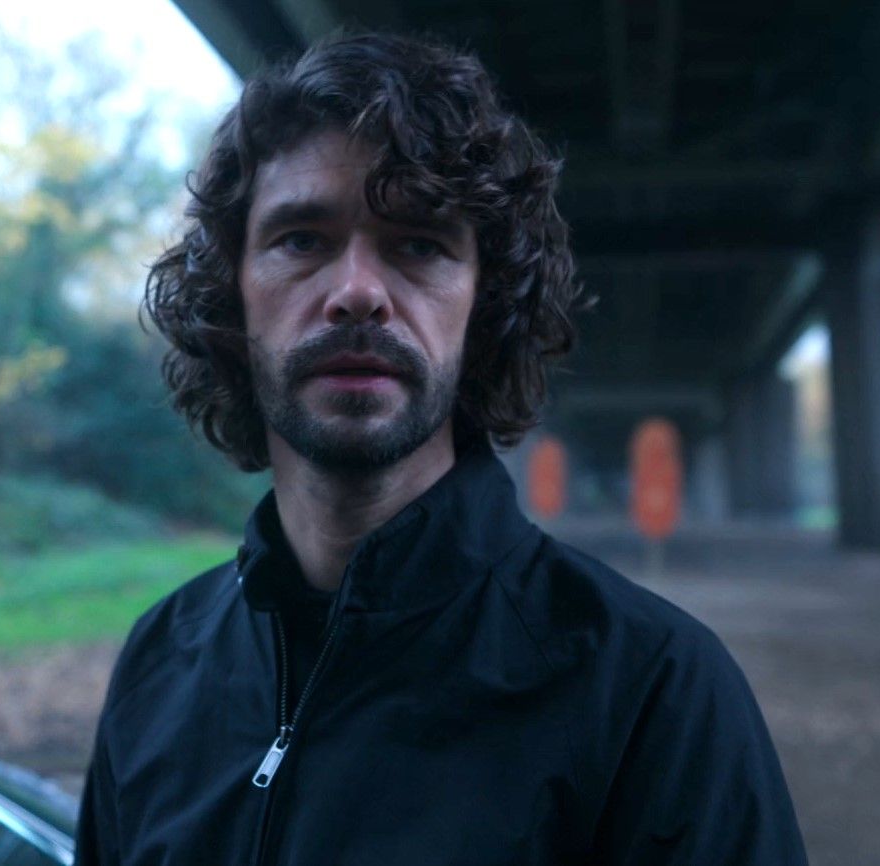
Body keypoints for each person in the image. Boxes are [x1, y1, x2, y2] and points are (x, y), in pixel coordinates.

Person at [75, 32, 808, 866]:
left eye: (419, 243)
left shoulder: (651, 690)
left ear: (484, 305)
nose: (356, 294)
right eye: (302, 240)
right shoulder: (159, 661)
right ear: (233, 295)